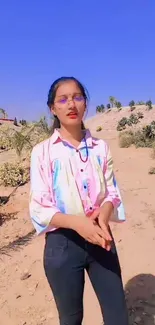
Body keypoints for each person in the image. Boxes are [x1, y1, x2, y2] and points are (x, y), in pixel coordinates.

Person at [29, 76, 129, 325]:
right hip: (62, 245)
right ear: (53, 108)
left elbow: (112, 193)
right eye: (62, 99)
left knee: (117, 316)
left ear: (85, 103)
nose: (71, 104)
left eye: (77, 97)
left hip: (101, 238)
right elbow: (39, 208)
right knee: (71, 319)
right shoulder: (43, 152)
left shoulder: (100, 148)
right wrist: (77, 223)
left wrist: (104, 215)